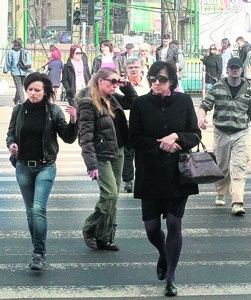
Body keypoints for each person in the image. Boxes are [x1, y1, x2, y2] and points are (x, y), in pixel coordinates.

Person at [129, 61, 202, 297]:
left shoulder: (183, 102)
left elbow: (195, 134)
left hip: (177, 174)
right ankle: (163, 253)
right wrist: (161, 145)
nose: (156, 83)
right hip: (149, 173)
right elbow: (134, 139)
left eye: (161, 79)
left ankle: (170, 276)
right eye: (152, 79)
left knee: (173, 223)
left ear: (171, 81)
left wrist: (176, 137)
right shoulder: (140, 104)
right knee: (151, 228)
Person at [6, 72, 78, 271]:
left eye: (37, 90)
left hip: (45, 166)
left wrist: (74, 122)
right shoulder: (19, 110)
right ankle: (37, 248)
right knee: (30, 212)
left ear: (45, 92)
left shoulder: (53, 111)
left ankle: (39, 252)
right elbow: (11, 133)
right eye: (30, 89)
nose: (33, 93)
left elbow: (68, 138)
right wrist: (12, 144)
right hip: (22, 167)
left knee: (38, 210)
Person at [75, 68, 137, 252]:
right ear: (99, 81)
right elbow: (85, 136)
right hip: (101, 154)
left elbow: (134, 102)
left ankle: (105, 237)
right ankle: (90, 228)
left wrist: (125, 86)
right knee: (109, 194)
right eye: (112, 81)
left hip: (118, 151)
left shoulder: (112, 97)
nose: (114, 85)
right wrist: (91, 164)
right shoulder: (88, 102)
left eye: (116, 81)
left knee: (114, 197)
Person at [198, 57, 251, 216]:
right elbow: (205, 106)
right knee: (222, 166)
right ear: (227, 69)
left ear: (241, 70)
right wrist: (201, 117)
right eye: (232, 68)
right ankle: (221, 192)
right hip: (221, 132)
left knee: (239, 166)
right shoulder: (218, 87)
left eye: (237, 68)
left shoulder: (249, 91)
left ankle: (237, 201)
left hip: (241, 133)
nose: (235, 70)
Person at [120, 57, 150, 194]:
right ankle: (128, 180)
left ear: (141, 68)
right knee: (127, 152)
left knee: (143, 152)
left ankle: (142, 178)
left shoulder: (149, 83)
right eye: (130, 67)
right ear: (126, 69)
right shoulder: (121, 85)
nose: (133, 70)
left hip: (145, 123)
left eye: (136, 67)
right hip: (126, 123)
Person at [3, 38, 31, 105]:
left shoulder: (11, 52)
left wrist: (5, 70)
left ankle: (20, 101)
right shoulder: (24, 51)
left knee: (19, 87)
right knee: (20, 87)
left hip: (15, 72)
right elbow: (29, 61)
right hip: (24, 71)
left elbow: (8, 62)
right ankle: (21, 101)